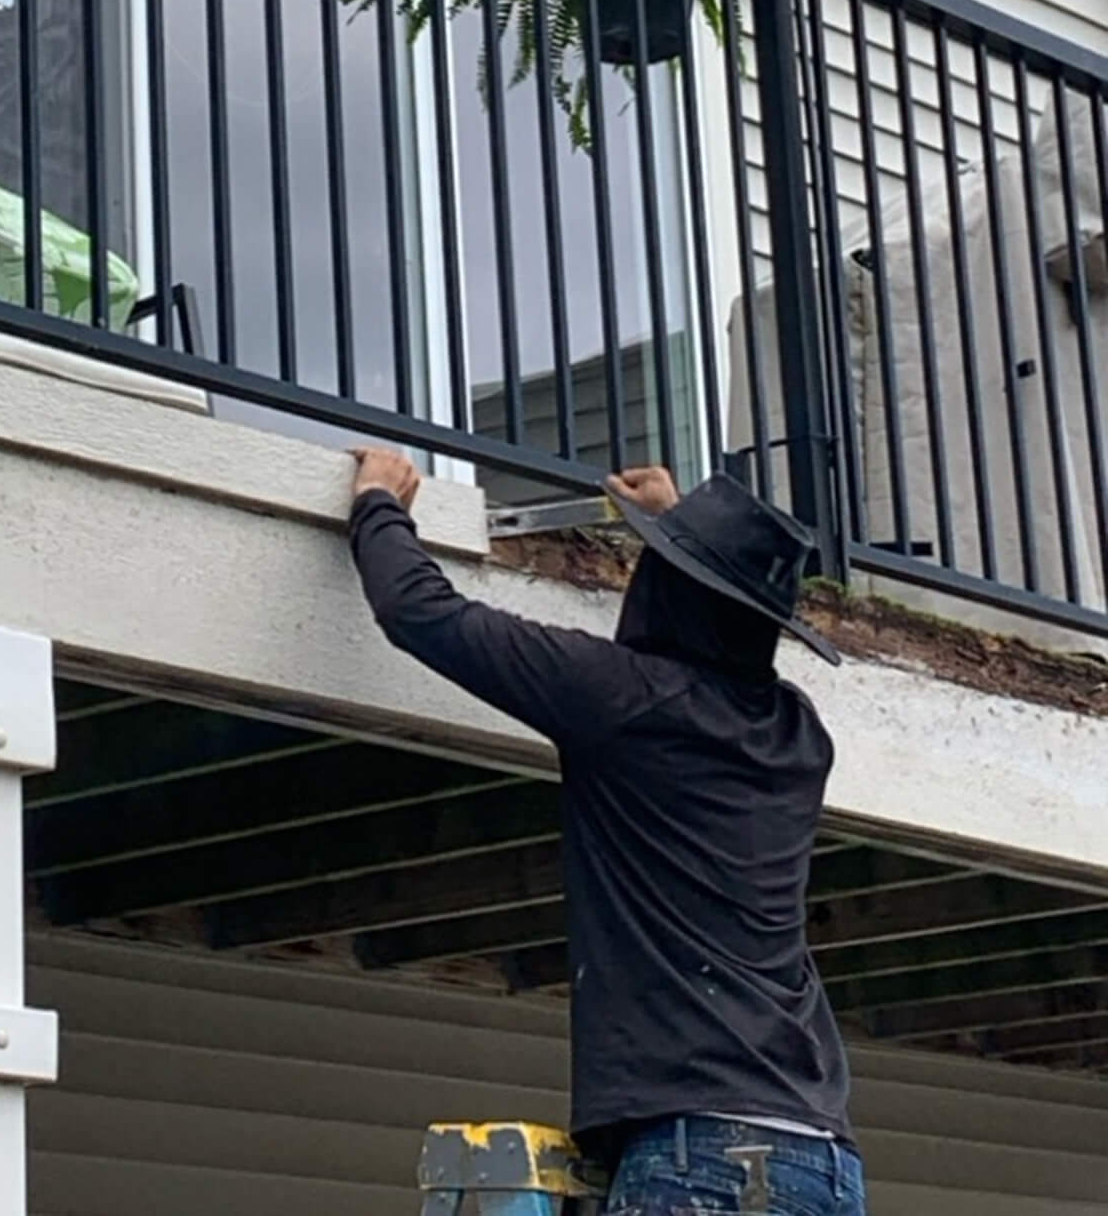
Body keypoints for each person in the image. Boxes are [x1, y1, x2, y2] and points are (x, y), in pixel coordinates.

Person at [348, 446, 866, 1216]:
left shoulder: (624, 701)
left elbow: (423, 613)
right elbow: (722, 619)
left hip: (703, 1151)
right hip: (820, 1160)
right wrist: (682, 525)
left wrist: (377, 504)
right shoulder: (797, 736)